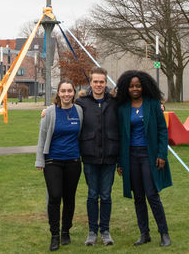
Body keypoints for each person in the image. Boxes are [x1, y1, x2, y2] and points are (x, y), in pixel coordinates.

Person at [116, 70, 172, 247]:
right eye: (131, 86)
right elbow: (119, 136)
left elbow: (163, 130)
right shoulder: (122, 108)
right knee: (138, 196)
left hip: (149, 155)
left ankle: (164, 233)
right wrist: (120, 162)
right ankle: (144, 233)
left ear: (144, 86)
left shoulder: (153, 104)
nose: (134, 89)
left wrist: (162, 154)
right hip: (130, 156)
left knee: (152, 194)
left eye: (138, 86)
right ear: (126, 87)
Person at [36, 80, 84, 251]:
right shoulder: (49, 112)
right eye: (63, 91)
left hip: (73, 161)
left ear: (74, 92)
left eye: (69, 91)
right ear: (58, 93)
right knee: (55, 196)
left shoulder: (79, 111)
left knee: (69, 198)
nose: (66, 94)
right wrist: (39, 161)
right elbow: (42, 138)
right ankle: (54, 234)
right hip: (52, 161)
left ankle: (66, 231)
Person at [76, 67, 119, 246]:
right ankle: (92, 231)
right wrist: (48, 111)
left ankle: (105, 231)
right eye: (95, 81)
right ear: (91, 82)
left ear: (106, 83)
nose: (99, 85)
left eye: (102, 82)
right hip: (90, 155)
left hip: (109, 156)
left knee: (106, 195)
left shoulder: (115, 102)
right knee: (92, 195)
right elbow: (64, 107)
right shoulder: (82, 102)